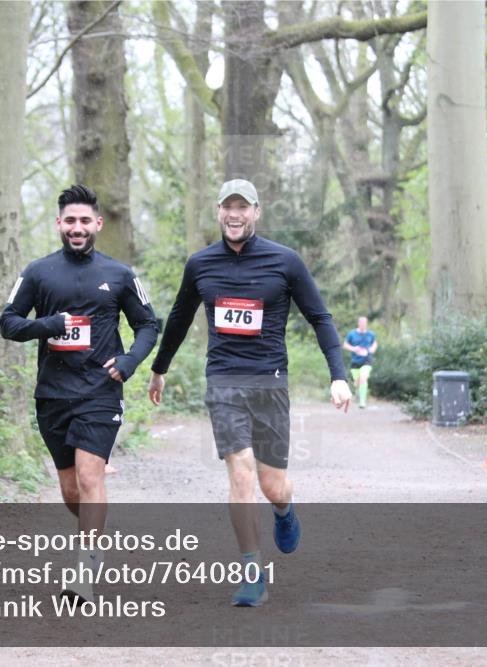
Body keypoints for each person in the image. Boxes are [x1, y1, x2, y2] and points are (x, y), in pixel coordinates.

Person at [147, 179, 352, 607]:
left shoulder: (285, 261)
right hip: (223, 380)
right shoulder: (200, 264)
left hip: (270, 381)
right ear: (219, 212)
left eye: (243, 207)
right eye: (228, 207)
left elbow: (320, 317)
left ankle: (284, 507)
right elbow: (180, 317)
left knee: (272, 484)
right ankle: (251, 571)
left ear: (256, 212)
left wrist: (338, 375)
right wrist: (159, 369)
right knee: (240, 473)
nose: (234, 214)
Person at [0, 184, 158, 603]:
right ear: (59, 224)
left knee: (91, 477)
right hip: (53, 394)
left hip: (101, 391)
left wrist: (128, 363)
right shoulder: (38, 272)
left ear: (98, 224)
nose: (77, 227)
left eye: (85, 220)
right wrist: (49, 324)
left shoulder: (119, 275)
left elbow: (148, 325)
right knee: (72, 491)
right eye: (70, 220)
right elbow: (9, 323)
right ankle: (95, 536)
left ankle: (85, 565)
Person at [343, 316, 379, 409]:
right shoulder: (352, 334)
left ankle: (362, 402)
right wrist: (354, 349)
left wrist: (372, 349)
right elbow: (345, 345)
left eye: (365, 323)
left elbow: (374, 344)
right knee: (357, 382)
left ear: (366, 324)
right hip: (355, 362)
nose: (363, 324)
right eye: (361, 322)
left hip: (367, 360)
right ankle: (358, 392)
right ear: (358, 323)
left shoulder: (371, 334)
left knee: (363, 377)